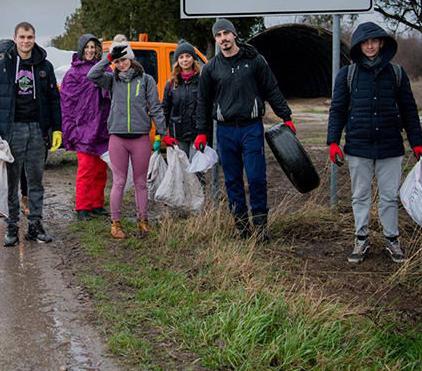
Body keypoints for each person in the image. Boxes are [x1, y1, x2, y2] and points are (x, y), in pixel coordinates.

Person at [327, 22, 422, 264]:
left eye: (374, 41)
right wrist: (333, 141)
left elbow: (409, 110)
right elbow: (337, 109)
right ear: (359, 46)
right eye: (365, 42)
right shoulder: (346, 75)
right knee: (360, 195)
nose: (370, 46)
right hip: (358, 146)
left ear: (381, 43)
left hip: (390, 146)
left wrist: (417, 143)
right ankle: (361, 239)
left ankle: (392, 240)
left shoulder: (397, 74)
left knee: (390, 196)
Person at [195, 18, 295, 242]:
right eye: (218, 35)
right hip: (226, 130)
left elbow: (271, 88)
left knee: (257, 177)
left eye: (226, 33)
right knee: (232, 180)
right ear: (215, 39)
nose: (223, 39)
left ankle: (260, 228)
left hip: (251, 128)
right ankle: (242, 228)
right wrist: (202, 131)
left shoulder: (255, 60)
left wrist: (286, 117)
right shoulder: (211, 68)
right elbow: (202, 101)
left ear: (234, 35)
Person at [0, 22, 62, 246]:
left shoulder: (45, 66)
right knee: (11, 181)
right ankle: (12, 226)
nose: (26, 40)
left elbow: (54, 100)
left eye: (30, 36)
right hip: (12, 129)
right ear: (15, 38)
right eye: (22, 36)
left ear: (34, 38)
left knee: (35, 180)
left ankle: (35, 225)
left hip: (37, 129)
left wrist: (57, 128)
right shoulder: (0, 68)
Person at [87, 35, 174, 239]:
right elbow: (93, 74)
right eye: (118, 61)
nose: (121, 63)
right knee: (118, 182)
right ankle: (115, 223)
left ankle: (142, 221)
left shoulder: (146, 80)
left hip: (140, 138)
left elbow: (156, 108)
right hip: (117, 138)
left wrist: (164, 134)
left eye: (124, 59)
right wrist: (108, 57)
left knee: (140, 182)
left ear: (131, 59)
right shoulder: (111, 80)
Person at [61, 34, 111, 220]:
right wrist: (72, 129)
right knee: (86, 169)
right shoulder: (73, 74)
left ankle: (97, 203)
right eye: (87, 47)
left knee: (100, 169)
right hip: (84, 128)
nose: (90, 50)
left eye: (93, 47)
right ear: (81, 49)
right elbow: (67, 103)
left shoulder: (106, 70)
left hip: (102, 127)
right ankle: (82, 206)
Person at [0, 39, 29, 216]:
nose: (2, 59)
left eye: (5, 55)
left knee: (22, 166)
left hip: (19, 126)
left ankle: (26, 198)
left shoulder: (20, 75)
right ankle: (4, 204)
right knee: (3, 166)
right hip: (1, 128)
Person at [163, 40, 212, 161]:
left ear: (193, 59)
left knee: (196, 172)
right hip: (178, 135)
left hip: (198, 134)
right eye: (181, 57)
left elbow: (207, 106)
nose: (185, 60)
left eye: (188, 56)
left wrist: (204, 132)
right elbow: (165, 109)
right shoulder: (171, 84)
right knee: (181, 171)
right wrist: (161, 135)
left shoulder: (202, 81)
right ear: (177, 60)